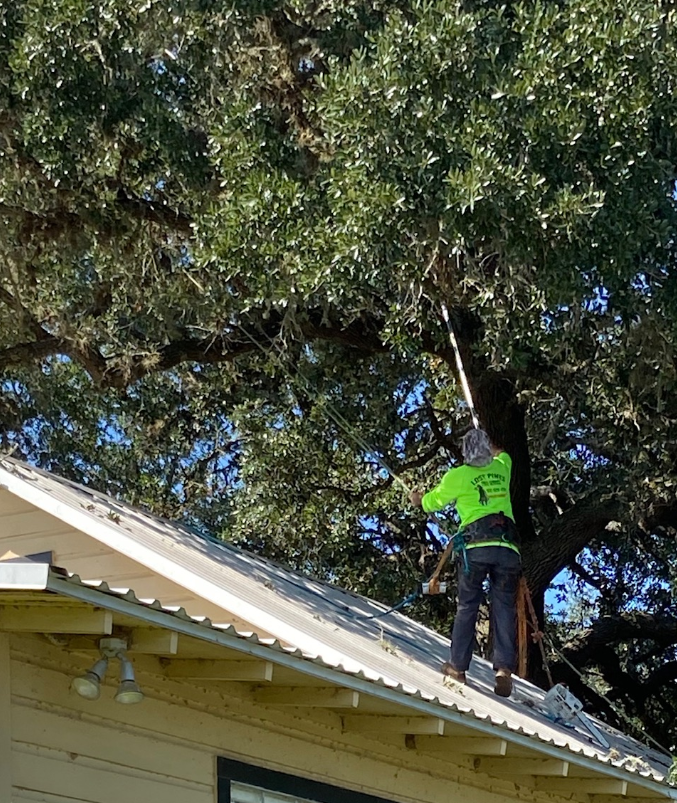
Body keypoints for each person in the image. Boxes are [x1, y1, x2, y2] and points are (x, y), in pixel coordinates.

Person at [410, 429, 521, 698]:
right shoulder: (502, 468)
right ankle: (504, 669)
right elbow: (502, 452)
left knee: (468, 604)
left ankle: (458, 667)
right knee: (504, 607)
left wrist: (417, 499)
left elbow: (430, 503)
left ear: (465, 452)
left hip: (476, 547)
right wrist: (490, 443)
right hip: (507, 547)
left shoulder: (457, 476)